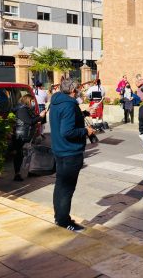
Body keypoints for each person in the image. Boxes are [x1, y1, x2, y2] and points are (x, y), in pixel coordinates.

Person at [50, 79, 95, 232]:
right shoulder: (69, 105)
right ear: (73, 91)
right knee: (67, 189)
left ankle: (59, 217)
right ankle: (64, 221)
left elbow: (64, 120)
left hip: (59, 150)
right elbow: (67, 131)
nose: (80, 92)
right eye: (79, 90)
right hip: (70, 152)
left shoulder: (56, 102)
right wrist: (86, 131)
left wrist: (82, 114)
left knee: (60, 186)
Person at [13, 94, 46, 181]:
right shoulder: (21, 110)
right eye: (32, 101)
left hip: (27, 134)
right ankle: (17, 174)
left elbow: (33, 119)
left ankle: (30, 171)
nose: (34, 103)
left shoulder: (27, 109)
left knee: (29, 153)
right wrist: (40, 117)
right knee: (19, 155)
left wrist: (41, 117)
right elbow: (29, 121)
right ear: (27, 101)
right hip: (20, 135)